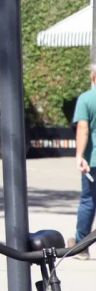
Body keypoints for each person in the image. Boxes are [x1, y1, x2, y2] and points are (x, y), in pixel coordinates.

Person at [69, 67, 96, 260]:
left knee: (89, 201)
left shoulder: (86, 99)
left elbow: (83, 128)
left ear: (94, 76)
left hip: (93, 162)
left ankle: (81, 245)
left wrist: (79, 155)